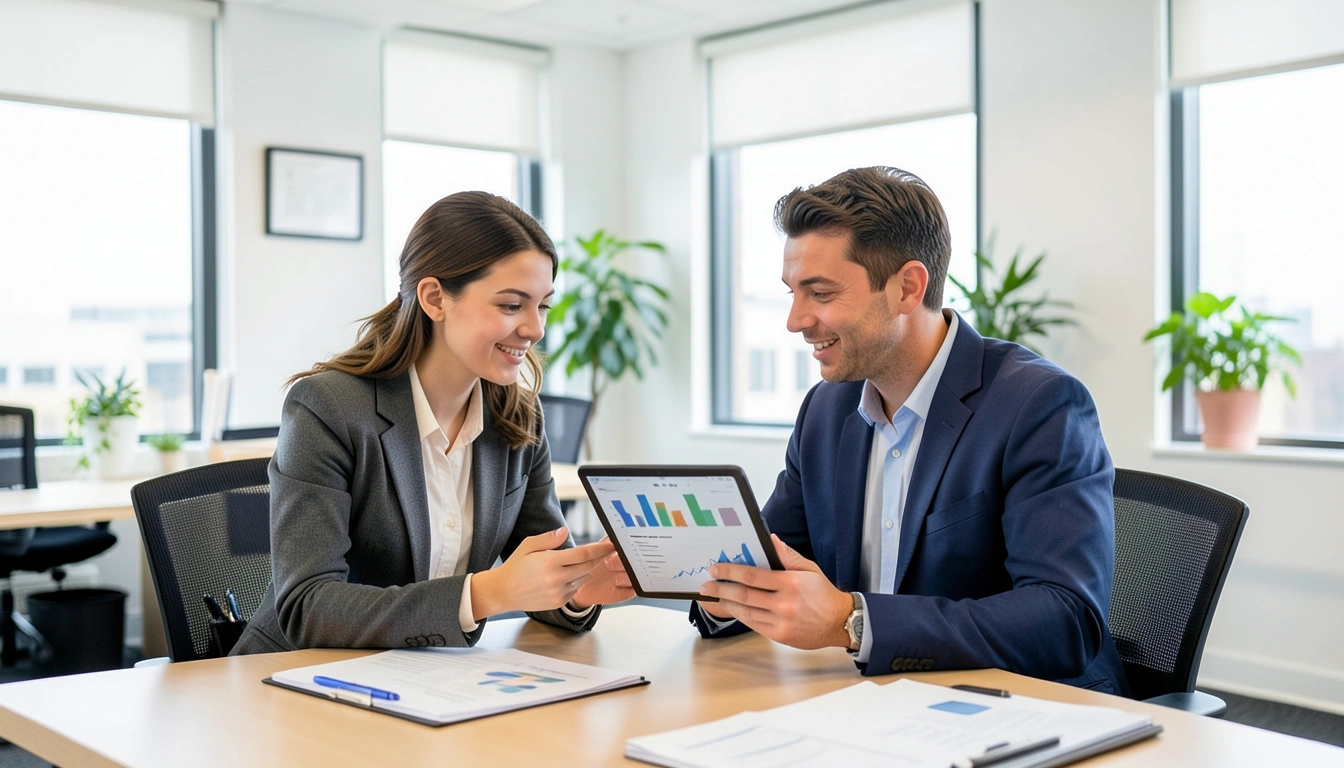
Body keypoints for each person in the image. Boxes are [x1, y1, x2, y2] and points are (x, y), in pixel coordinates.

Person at [692, 167, 1127, 694]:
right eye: (792, 293)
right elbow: (776, 565)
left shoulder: (1038, 406)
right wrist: (722, 594)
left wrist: (852, 623)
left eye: (821, 293)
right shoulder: (826, 411)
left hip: (1017, 709)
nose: (795, 320)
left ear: (907, 287)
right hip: (870, 704)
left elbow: (1064, 619)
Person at [233, 191, 633, 655]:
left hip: (431, 682)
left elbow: (534, 569)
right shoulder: (328, 408)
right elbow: (308, 606)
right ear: (434, 297)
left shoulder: (518, 419)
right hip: (298, 681)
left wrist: (575, 588)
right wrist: (488, 593)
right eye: (510, 305)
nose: (535, 329)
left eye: (542, 306)